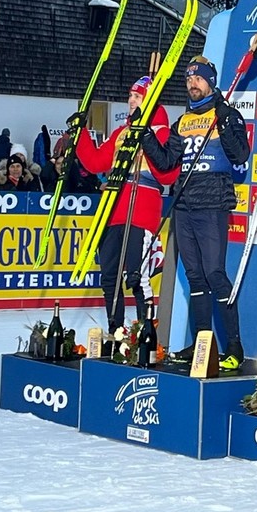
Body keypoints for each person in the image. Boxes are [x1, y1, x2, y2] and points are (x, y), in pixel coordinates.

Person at [140, 56, 251, 370]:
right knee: (195, 278)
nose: (193, 83)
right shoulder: (183, 121)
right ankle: (204, 342)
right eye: (189, 79)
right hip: (184, 206)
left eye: (198, 78)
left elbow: (241, 155)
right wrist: (147, 136)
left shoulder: (226, 115)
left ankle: (234, 346)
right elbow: (165, 163)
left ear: (211, 82)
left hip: (212, 205)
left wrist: (228, 125)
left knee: (215, 275)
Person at [72, 76, 179, 333]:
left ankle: (146, 333)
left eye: (138, 96)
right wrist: (80, 134)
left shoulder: (162, 131)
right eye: (131, 95)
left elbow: (168, 175)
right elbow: (96, 163)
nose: (131, 100)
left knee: (136, 276)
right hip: (114, 209)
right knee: (109, 275)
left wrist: (147, 140)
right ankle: (115, 329)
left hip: (141, 209)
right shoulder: (121, 132)